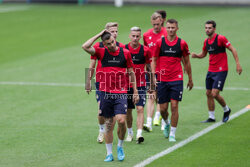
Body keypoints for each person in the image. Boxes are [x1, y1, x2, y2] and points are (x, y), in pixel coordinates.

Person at [82, 30, 139, 162]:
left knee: (120, 120)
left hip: (121, 92)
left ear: (115, 39)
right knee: (108, 124)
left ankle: (120, 146)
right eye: (108, 43)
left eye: (113, 41)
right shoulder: (101, 52)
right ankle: (109, 153)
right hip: (105, 92)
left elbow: (131, 72)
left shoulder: (125, 53)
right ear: (104, 44)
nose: (112, 45)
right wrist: (99, 33)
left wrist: (135, 91)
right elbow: (85, 46)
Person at [191, 20, 242, 123]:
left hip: (221, 70)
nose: (207, 30)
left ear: (214, 29)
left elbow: (233, 49)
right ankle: (211, 117)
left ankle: (226, 109)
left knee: (214, 93)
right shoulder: (206, 42)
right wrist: (196, 56)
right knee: (208, 93)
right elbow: (204, 54)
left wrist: (237, 64)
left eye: (209, 28)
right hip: (211, 70)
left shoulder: (220, 39)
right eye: (206, 28)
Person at [152, 19, 193, 142]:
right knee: (163, 109)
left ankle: (172, 134)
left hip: (176, 78)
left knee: (174, 106)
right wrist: (154, 76)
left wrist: (190, 78)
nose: (170, 30)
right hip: (162, 79)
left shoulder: (182, 44)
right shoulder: (160, 42)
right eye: (169, 27)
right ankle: (167, 122)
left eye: (173, 28)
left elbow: (187, 61)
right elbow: (154, 60)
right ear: (166, 28)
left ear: (177, 29)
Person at [88, 22, 125, 144]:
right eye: (112, 31)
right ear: (106, 33)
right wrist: (88, 81)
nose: (114, 34)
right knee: (101, 110)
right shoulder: (99, 46)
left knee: (117, 115)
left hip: (118, 86)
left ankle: (112, 134)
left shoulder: (122, 47)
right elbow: (92, 64)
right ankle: (101, 129)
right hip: (101, 82)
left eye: (116, 31)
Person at [124, 26, 152, 144]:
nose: (135, 38)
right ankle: (130, 132)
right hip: (126, 84)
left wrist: (152, 83)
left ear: (140, 37)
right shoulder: (124, 49)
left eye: (137, 36)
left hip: (140, 84)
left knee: (140, 108)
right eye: (133, 36)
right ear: (129, 36)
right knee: (128, 110)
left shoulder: (145, 50)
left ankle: (139, 134)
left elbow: (149, 67)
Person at [143, 12, 168, 132]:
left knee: (162, 96)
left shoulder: (167, 33)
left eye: (158, 24)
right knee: (151, 95)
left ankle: (162, 120)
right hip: (150, 70)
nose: (156, 27)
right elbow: (145, 52)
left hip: (164, 69)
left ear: (161, 21)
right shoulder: (146, 35)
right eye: (154, 25)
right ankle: (149, 122)